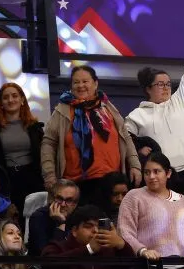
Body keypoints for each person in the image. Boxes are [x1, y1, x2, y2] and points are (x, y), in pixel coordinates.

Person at [125, 23, 184, 215]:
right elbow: (125, 140)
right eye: (160, 84)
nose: (166, 87)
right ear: (148, 89)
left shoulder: (180, 101)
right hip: (163, 178)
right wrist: (140, 150)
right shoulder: (136, 116)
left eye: (167, 84)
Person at [41, 65, 140, 209]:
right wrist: (49, 175)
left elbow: (125, 136)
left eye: (85, 81)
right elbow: (48, 144)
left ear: (95, 83)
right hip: (76, 185)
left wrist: (135, 165)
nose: (80, 86)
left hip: (110, 183)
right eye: (76, 82)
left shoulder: (108, 107)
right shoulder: (62, 111)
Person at [0, 83, 44, 213]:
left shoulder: (35, 128)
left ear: (22, 100)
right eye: (6, 97)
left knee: (33, 221)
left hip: (32, 179)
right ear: (1, 103)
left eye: (15, 96)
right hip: (5, 181)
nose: (11, 100)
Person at [28, 179, 80, 256]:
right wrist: (61, 224)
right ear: (52, 199)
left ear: (75, 204)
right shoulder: (38, 217)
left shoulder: (79, 217)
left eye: (68, 200)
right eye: (59, 198)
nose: (63, 204)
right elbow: (46, 255)